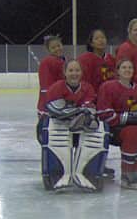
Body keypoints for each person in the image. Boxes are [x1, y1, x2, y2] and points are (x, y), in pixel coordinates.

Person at [41, 59, 108, 191]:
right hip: (58, 124)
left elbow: (89, 110)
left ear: (82, 72)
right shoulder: (56, 87)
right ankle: (58, 174)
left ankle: (88, 174)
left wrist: (73, 112)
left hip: (79, 126)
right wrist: (78, 112)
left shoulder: (87, 88)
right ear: (64, 72)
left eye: (77, 70)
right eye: (70, 70)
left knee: (98, 130)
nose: (74, 73)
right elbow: (54, 110)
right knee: (54, 132)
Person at [97, 58, 137, 189]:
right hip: (114, 129)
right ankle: (127, 171)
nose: (127, 70)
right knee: (132, 131)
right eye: (124, 67)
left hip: (133, 128)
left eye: (130, 68)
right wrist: (126, 118)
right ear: (118, 71)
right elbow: (103, 113)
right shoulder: (108, 87)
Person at [78, 29, 116, 93]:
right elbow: (83, 82)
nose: (100, 40)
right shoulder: (84, 60)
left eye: (103, 37)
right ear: (91, 43)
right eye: (97, 38)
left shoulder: (111, 59)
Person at [37, 35, 66, 116]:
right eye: (53, 48)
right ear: (48, 50)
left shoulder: (63, 60)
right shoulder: (47, 62)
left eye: (58, 46)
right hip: (49, 103)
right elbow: (45, 85)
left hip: (60, 101)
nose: (57, 49)